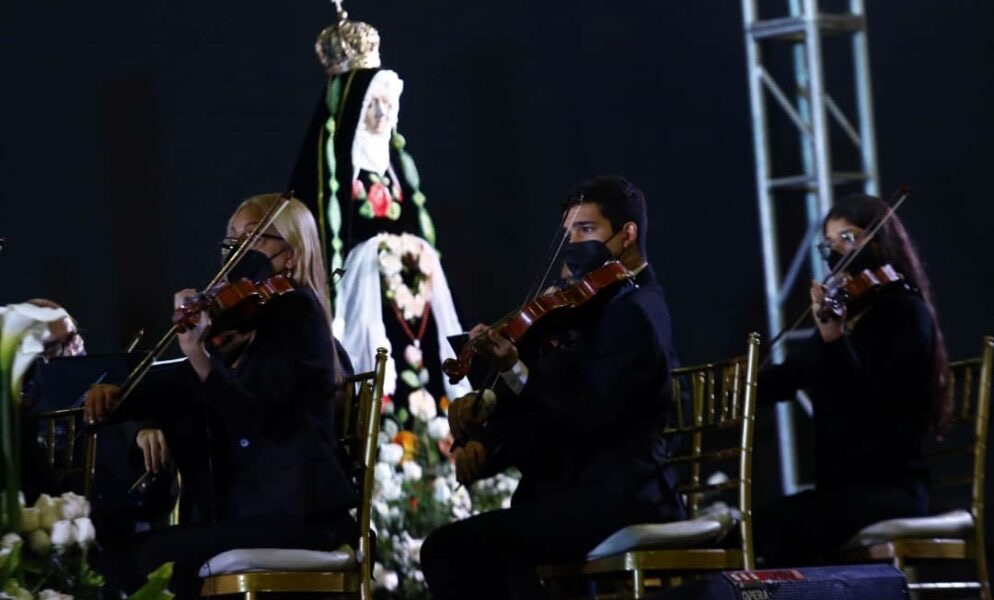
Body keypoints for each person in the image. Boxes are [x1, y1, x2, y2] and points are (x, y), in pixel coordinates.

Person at [420, 175, 685, 599]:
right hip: (572, 491)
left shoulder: (635, 310)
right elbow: (550, 405)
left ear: (627, 235)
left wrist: (517, 370)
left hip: (620, 494)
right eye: (568, 233)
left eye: (586, 230)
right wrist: (486, 438)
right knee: (487, 550)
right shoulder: (590, 309)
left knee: (453, 551)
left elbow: (588, 413)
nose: (573, 245)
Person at [84, 194, 358, 597]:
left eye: (252, 241)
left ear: (290, 257)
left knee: (148, 558)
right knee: (117, 553)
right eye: (230, 243)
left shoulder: (298, 314)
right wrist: (120, 399)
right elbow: (182, 385)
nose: (236, 254)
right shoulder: (247, 327)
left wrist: (199, 352)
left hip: (298, 512)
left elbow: (253, 416)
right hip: (252, 511)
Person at [753, 192, 951, 567]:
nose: (837, 252)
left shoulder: (904, 313)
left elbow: (871, 400)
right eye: (828, 244)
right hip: (841, 489)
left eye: (848, 238)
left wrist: (834, 337)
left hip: (890, 487)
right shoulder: (848, 312)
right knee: (753, 528)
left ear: (880, 242)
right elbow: (791, 376)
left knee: (784, 531)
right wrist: (741, 387)